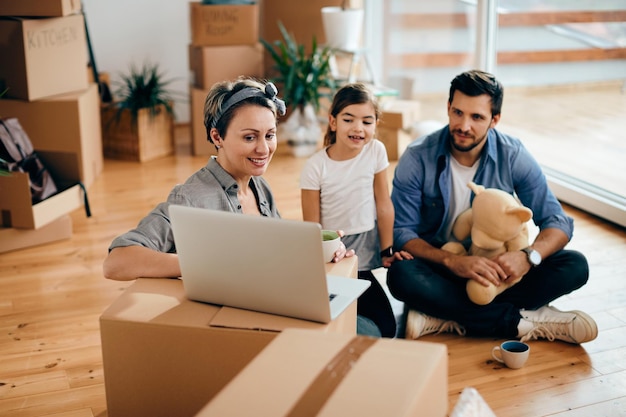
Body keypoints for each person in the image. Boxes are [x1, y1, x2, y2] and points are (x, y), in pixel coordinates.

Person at [102, 77, 379, 334]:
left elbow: (271, 251)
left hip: (271, 301)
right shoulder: (191, 198)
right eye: (250, 137)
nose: (263, 149)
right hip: (236, 323)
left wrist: (319, 249)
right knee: (363, 333)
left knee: (374, 326)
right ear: (217, 137)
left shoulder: (260, 186)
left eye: (269, 135)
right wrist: (206, 265)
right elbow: (117, 263)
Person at [387, 69, 598, 344]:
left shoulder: (513, 155)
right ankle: (523, 322)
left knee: (575, 265)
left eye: (477, 117)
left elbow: (557, 222)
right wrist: (453, 261)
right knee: (401, 275)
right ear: (448, 108)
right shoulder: (418, 157)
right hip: (443, 268)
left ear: (494, 119)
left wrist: (527, 257)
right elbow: (402, 231)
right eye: (458, 113)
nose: (464, 126)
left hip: (498, 274)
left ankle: (443, 316)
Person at [300, 83, 412, 338]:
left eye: (367, 121)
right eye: (348, 119)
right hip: (334, 256)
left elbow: (383, 204)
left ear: (375, 124)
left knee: (388, 328)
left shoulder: (376, 151)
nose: (358, 128)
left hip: (366, 251)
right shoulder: (315, 166)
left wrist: (387, 250)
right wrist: (323, 258)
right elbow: (311, 226)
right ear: (333, 121)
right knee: (372, 326)